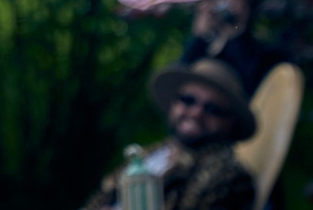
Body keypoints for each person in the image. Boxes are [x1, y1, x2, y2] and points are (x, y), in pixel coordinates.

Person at [82, 58, 260, 210]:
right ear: (173, 103)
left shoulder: (230, 178)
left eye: (212, 109)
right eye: (188, 100)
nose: (196, 113)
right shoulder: (145, 157)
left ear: (230, 122)